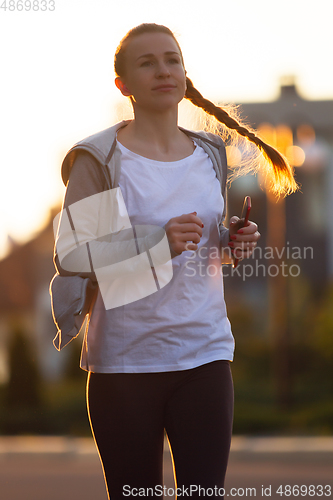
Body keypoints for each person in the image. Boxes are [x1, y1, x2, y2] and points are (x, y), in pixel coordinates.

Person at [53, 23, 297, 499]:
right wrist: (156, 243)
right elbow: (77, 256)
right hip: (125, 364)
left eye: (172, 60)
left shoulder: (208, 153)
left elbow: (202, 245)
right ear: (123, 85)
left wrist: (230, 243)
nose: (163, 70)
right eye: (147, 63)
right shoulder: (102, 158)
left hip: (204, 355)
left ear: (185, 74)